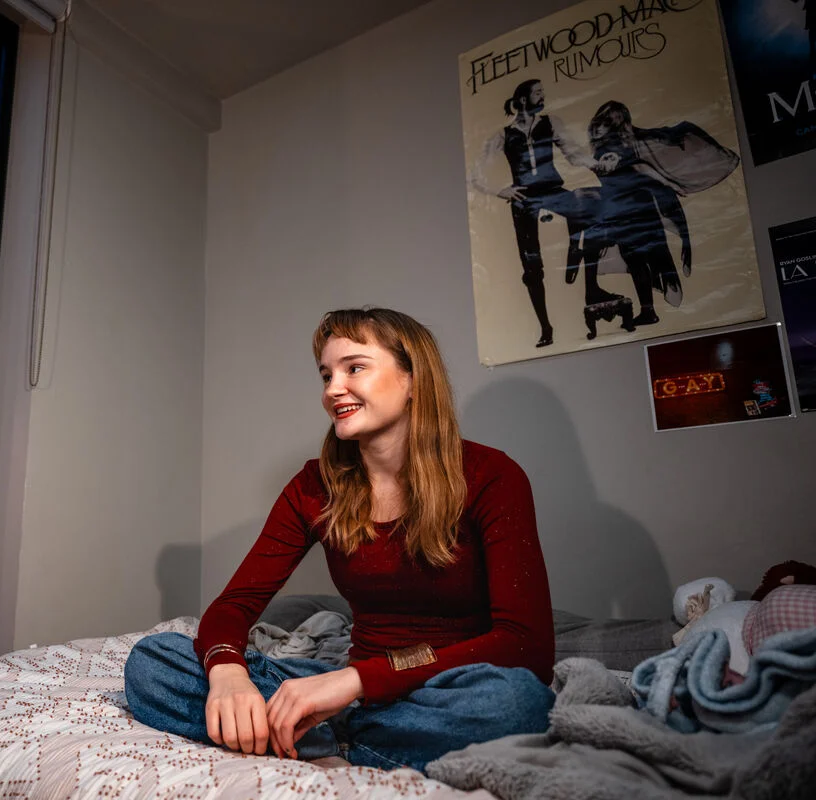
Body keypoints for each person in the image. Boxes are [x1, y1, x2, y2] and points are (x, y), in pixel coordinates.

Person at [124, 308, 555, 771]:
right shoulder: (315, 486)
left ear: (412, 378)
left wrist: (356, 681)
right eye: (326, 374)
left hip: (445, 687)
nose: (333, 389)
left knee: (519, 703)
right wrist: (229, 673)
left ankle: (323, 740)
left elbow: (525, 645)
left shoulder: (492, 476)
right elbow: (233, 606)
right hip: (345, 693)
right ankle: (342, 738)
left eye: (355, 368)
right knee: (152, 661)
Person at [470, 79, 608, 348]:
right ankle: (546, 327)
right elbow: (476, 172)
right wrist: (500, 190)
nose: (543, 96)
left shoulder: (550, 122)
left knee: (589, 208)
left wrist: (596, 165)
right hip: (524, 199)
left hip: (553, 190)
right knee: (532, 266)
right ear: (523, 100)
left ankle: (574, 249)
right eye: (538, 93)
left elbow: (573, 152)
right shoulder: (504, 134)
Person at [581, 101, 739, 326]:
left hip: (634, 209)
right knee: (639, 259)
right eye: (601, 121)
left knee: (646, 257)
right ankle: (648, 311)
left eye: (606, 122)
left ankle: (649, 310)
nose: (600, 126)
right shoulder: (609, 147)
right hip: (624, 210)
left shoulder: (619, 148)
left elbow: (637, 168)